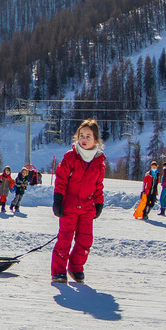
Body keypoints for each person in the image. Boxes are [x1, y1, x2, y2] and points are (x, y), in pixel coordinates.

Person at [51, 119, 106, 283]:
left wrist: (99, 203)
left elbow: (98, 185)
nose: (84, 139)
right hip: (69, 205)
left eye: (88, 136)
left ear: (95, 140)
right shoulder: (70, 157)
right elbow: (61, 180)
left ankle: (75, 267)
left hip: (87, 207)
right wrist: (58, 199)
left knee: (85, 241)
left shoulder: (99, 162)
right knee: (65, 238)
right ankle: (58, 270)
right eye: (81, 135)